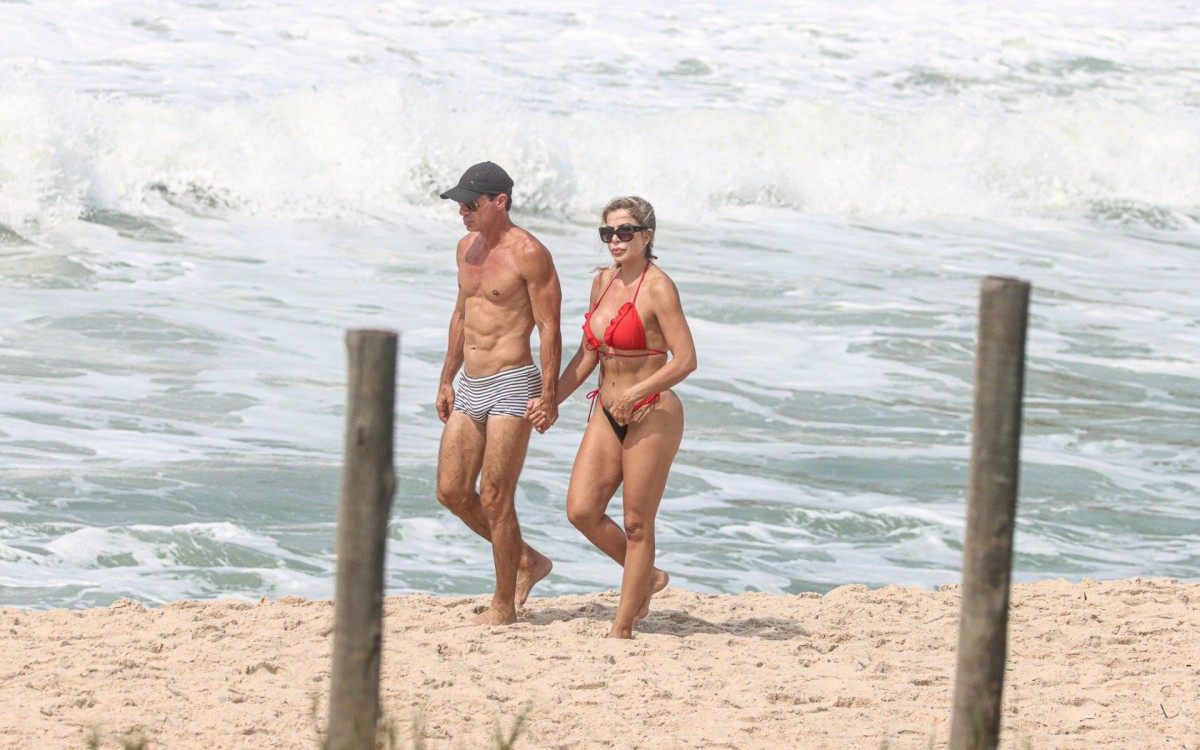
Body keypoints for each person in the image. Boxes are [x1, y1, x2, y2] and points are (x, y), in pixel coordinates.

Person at [528, 195, 697, 638]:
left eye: (625, 231)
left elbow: (686, 360)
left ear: (647, 235)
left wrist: (639, 391)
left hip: (652, 412)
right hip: (607, 409)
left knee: (637, 523)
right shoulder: (602, 282)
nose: (615, 240)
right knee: (582, 510)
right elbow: (589, 354)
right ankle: (647, 577)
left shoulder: (659, 288)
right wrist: (551, 399)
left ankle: (622, 626)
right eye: (608, 233)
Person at [434, 161, 561, 626]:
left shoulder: (530, 253)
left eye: (471, 204)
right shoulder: (465, 248)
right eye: (460, 204)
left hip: (512, 381)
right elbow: (461, 315)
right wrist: (446, 378)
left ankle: (503, 606)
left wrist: (549, 395)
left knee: (494, 496)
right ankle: (528, 561)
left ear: (500, 202)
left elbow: (549, 327)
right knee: (451, 491)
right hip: (471, 382)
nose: (462, 212)